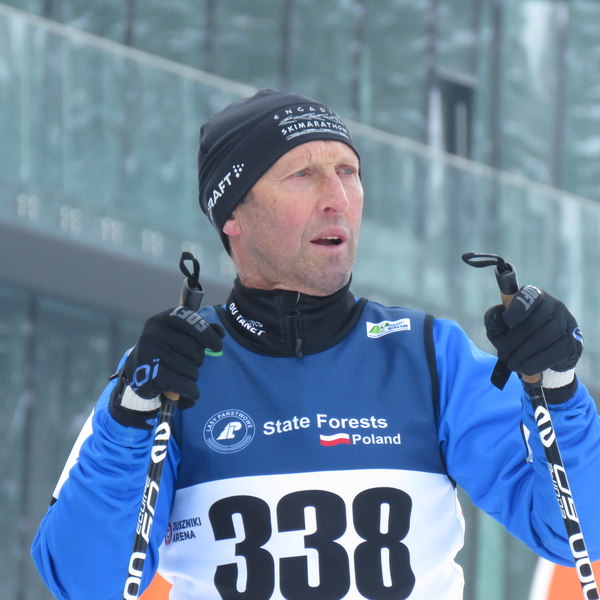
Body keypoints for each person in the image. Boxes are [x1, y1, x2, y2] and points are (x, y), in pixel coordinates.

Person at [32, 89, 600, 600]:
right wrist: (130, 418)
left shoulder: (430, 356)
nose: (337, 197)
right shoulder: (173, 370)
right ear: (233, 214)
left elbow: (577, 533)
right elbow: (86, 584)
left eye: (348, 171)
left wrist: (558, 388)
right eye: (302, 174)